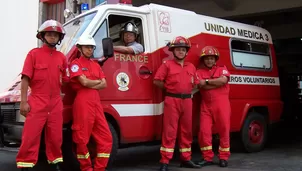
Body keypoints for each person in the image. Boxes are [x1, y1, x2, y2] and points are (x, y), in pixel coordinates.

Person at [16, 19, 68, 171]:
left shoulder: (62, 58)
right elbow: (25, 79)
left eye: (56, 35)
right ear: (42, 36)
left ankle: (55, 162)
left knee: (56, 137)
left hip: (56, 103)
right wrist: (23, 101)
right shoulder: (33, 54)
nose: (53, 37)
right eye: (50, 34)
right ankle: (25, 164)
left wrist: (61, 94)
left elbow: (65, 79)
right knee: (30, 136)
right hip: (37, 100)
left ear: (59, 38)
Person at [153, 36, 201, 171]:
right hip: (171, 100)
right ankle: (165, 161)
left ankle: (186, 158)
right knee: (170, 130)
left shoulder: (191, 66)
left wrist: (190, 92)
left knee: (187, 131)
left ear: (187, 52)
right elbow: (157, 81)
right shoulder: (166, 65)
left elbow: (197, 84)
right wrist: (170, 89)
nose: (181, 52)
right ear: (173, 51)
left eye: (183, 50)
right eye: (178, 49)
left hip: (187, 101)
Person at [69, 35, 112, 171]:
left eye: (91, 47)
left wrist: (90, 83)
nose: (89, 50)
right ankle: (86, 168)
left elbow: (104, 84)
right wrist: (95, 83)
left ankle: (100, 168)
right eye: (87, 47)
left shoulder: (95, 65)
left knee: (106, 137)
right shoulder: (75, 64)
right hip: (83, 103)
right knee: (81, 139)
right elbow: (84, 82)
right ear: (80, 48)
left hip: (96, 103)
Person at [195, 46, 231, 167]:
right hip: (205, 105)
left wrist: (206, 82)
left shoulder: (222, 69)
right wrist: (216, 83)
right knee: (204, 131)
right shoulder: (198, 72)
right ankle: (207, 157)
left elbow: (223, 81)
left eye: (211, 58)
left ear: (215, 59)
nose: (209, 61)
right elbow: (200, 87)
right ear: (203, 60)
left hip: (222, 105)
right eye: (207, 58)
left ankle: (224, 157)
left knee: (224, 130)